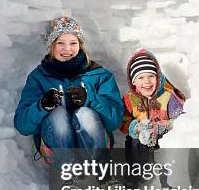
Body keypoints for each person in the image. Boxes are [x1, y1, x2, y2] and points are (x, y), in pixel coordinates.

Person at [14, 16, 124, 163]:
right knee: (57, 115)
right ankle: (68, 175)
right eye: (60, 43)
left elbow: (114, 121)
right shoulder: (38, 78)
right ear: (51, 46)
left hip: (94, 145)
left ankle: (99, 169)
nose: (67, 49)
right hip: (57, 149)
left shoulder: (99, 75)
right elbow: (23, 126)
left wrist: (90, 99)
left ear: (80, 45)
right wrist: (42, 106)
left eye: (73, 43)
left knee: (85, 114)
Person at [120, 48, 185, 188]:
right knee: (133, 142)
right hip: (142, 139)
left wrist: (162, 127)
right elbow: (122, 121)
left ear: (158, 76)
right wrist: (135, 127)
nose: (147, 82)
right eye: (141, 77)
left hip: (162, 138)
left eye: (151, 76)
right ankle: (135, 175)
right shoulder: (130, 99)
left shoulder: (168, 97)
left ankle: (166, 181)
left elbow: (181, 120)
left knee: (168, 150)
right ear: (133, 82)